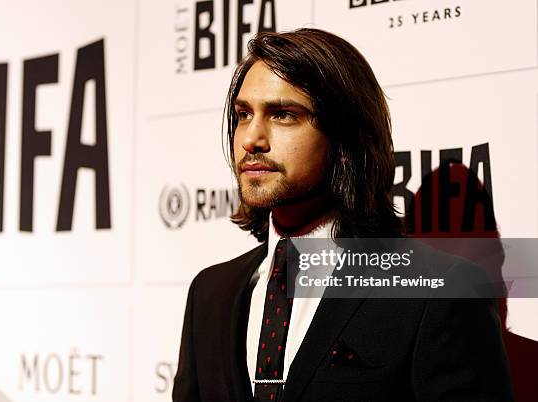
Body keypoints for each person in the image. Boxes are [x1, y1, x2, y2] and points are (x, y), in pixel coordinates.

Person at [172, 28, 513, 402]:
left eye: (283, 114)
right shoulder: (210, 293)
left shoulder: (439, 292)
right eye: (243, 114)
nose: (251, 139)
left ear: (345, 136)